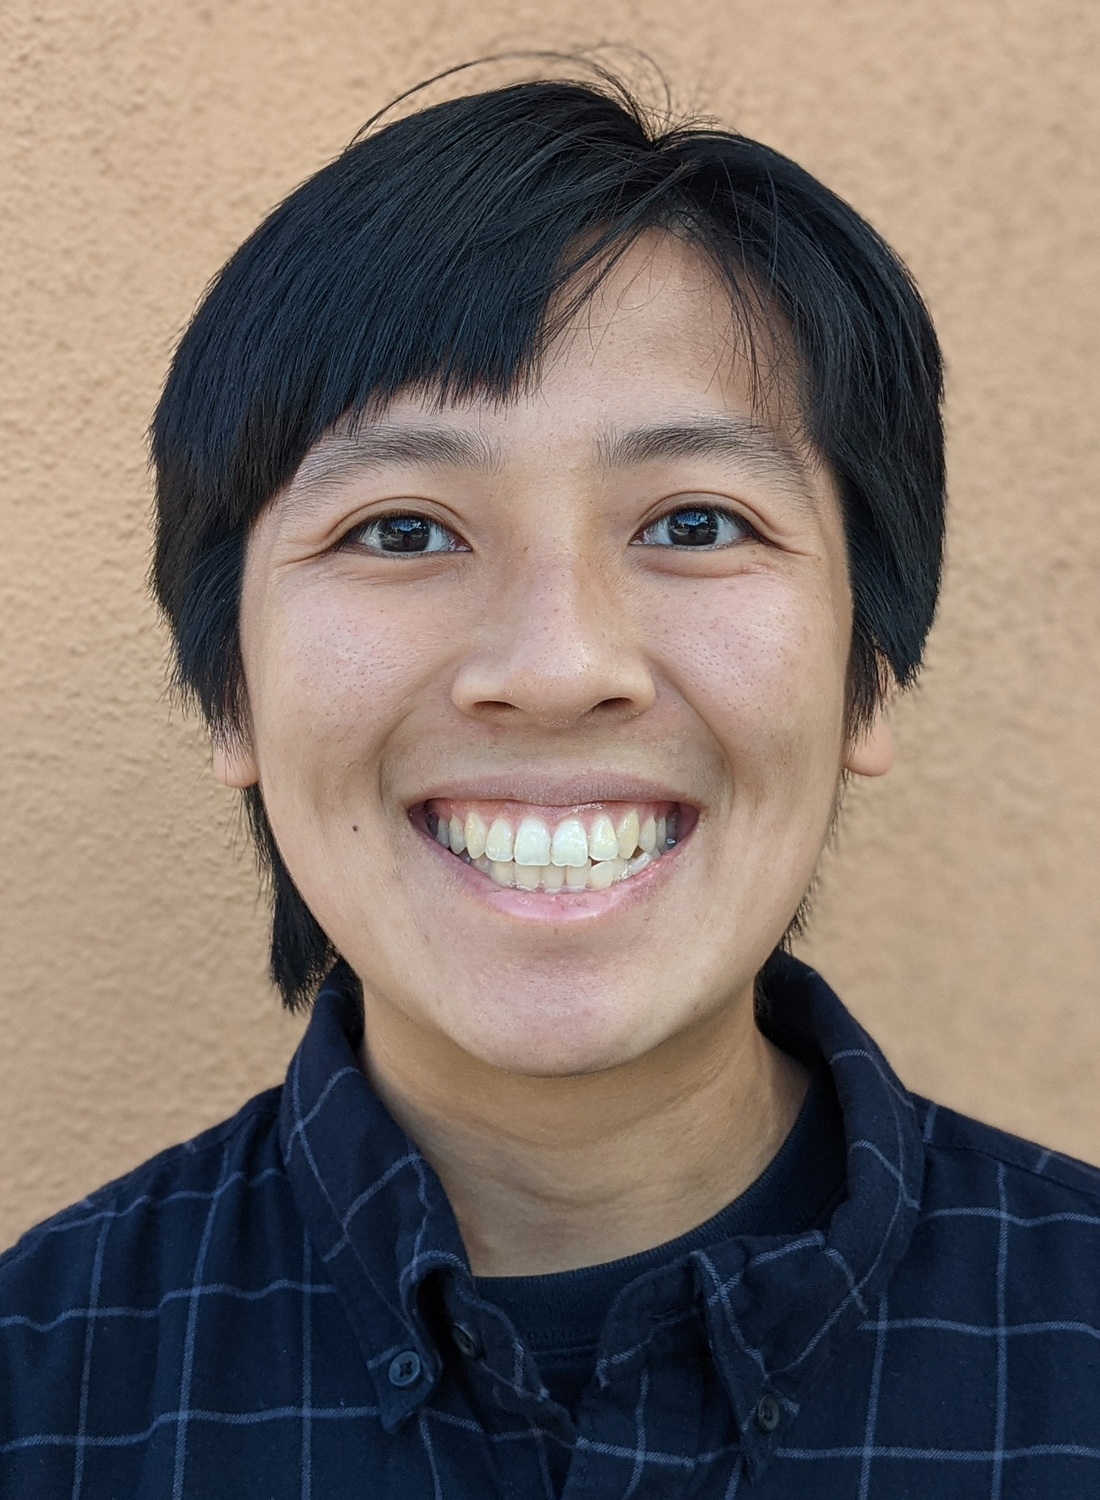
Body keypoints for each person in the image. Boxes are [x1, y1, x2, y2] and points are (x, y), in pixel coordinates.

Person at [2, 68, 1098, 1500]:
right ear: (229, 691)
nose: (559, 664)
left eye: (695, 523)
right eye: (403, 530)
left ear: (870, 673)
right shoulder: (42, 1398)